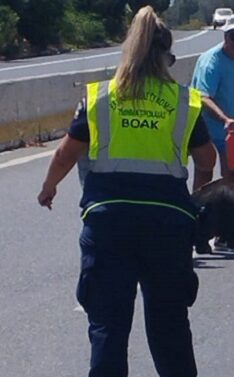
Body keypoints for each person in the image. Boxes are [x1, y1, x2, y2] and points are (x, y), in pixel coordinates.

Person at [37, 6, 216, 376]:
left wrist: (48, 188)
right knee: (170, 327)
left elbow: (65, 154)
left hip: (109, 225)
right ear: (166, 55)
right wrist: (197, 199)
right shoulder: (184, 101)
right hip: (167, 226)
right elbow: (206, 158)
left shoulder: (100, 97)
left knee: (108, 327)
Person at [191, 13, 234, 184]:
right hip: (206, 129)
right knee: (205, 174)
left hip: (233, 132)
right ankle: (199, 209)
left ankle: (226, 210)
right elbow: (203, 97)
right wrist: (224, 119)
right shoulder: (212, 62)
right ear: (225, 35)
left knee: (232, 176)